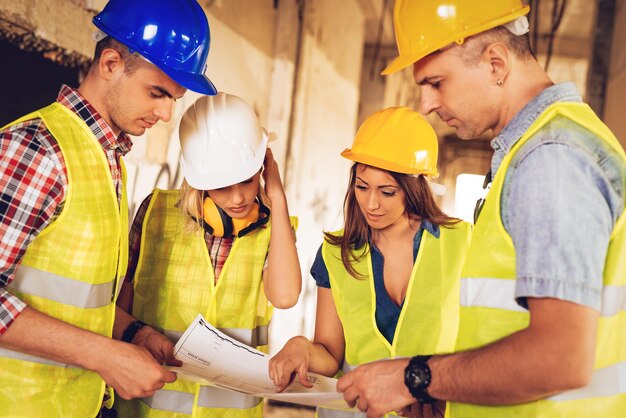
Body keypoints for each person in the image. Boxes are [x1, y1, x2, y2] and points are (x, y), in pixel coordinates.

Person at [336, 1, 626, 417]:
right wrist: (448, 391)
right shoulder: (534, 154)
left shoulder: (551, 158)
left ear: (495, 63)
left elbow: (561, 355)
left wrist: (414, 377)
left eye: (436, 82)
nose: (426, 105)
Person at [0, 0, 217, 416]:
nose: (167, 113)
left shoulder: (109, 158)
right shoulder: (38, 149)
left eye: (175, 98)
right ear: (111, 64)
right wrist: (105, 355)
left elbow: (72, 299)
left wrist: (131, 332)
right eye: (157, 92)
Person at [269, 107, 472, 418]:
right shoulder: (335, 254)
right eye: (362, 187)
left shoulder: (462, 242)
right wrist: (300, 346)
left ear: (414, 187)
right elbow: (330, 354)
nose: (371, 204)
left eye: (387, 192)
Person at [115, 92, 302, 418]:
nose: (238, 198)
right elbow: (120, 308)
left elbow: (284, 297)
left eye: (246, 179)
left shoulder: (273, 226)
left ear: (263, 165)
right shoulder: (155, 212)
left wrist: (279, 201)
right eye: (220, 185)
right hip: (148, 409)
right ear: (197, 180)